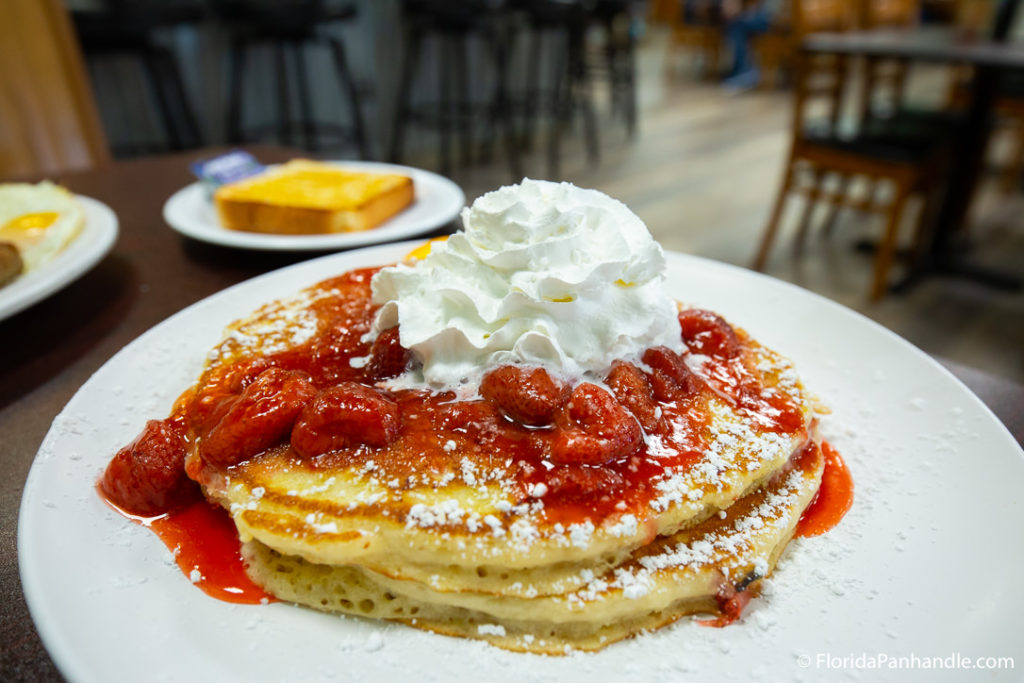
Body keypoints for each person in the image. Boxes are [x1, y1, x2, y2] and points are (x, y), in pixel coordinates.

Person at [721, 0, 780, 90]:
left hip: (771, 19)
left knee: (737, 25)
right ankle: (743, 71)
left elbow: (772, 12)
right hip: (761, 16)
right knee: (735, 25)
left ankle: (743, 72)